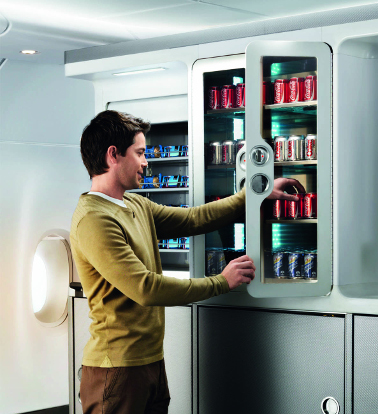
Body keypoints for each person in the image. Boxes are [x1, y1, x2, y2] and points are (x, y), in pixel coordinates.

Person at [70, 110, 303, 413]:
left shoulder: (135, 204)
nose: (146, 162)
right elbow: (145, 288)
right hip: (116, 368)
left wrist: (252, 195)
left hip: (149, 361)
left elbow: (194, 219)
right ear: (113, 155)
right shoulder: (93, 219)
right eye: (140, 153)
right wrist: (221, 282)